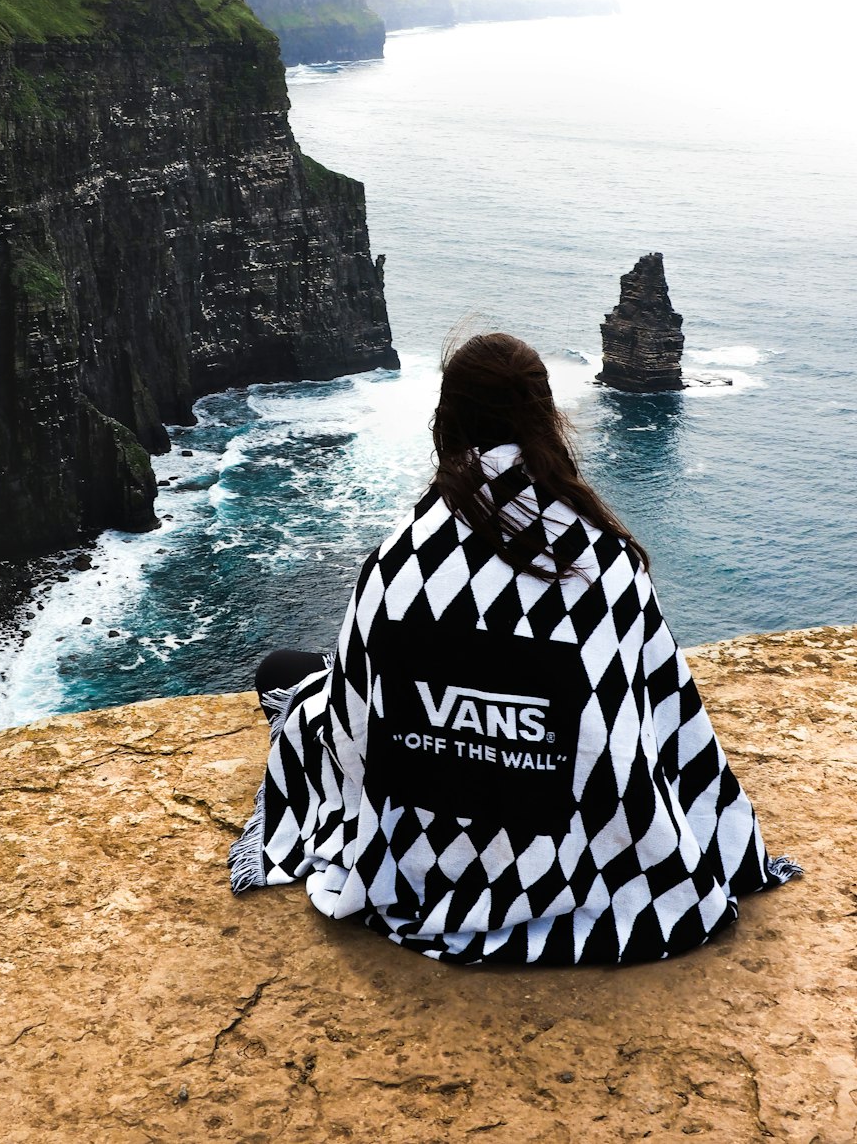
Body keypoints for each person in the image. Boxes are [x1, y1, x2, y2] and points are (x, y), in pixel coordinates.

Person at [230, 333, 799, 964]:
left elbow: (357, 732)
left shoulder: (401, 562)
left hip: (423, 866)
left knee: (285, 673)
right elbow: (664, 722)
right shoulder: (604, 564)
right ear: (545, 420)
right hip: (579, 861)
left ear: (446, 422)